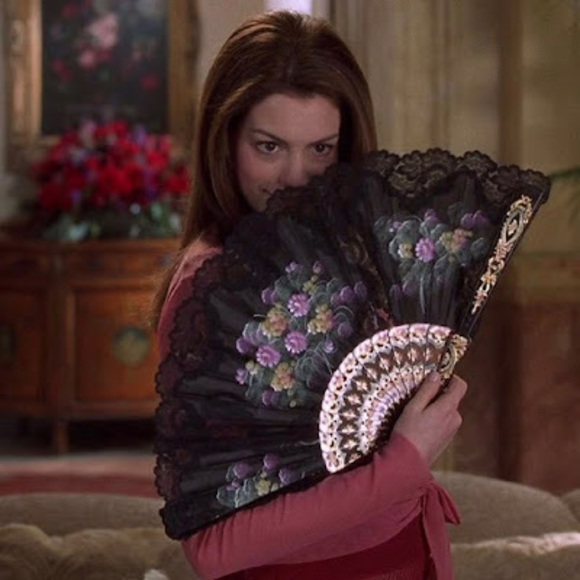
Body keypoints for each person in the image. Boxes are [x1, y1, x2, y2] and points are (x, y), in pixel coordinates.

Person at [153, 10, 467, 580]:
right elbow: (213, 547)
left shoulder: (355, 251)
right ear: (225, 140)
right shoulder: (210, 290)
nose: (297, 178)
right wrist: (406, 460)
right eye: (269, 146)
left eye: (321, 149)